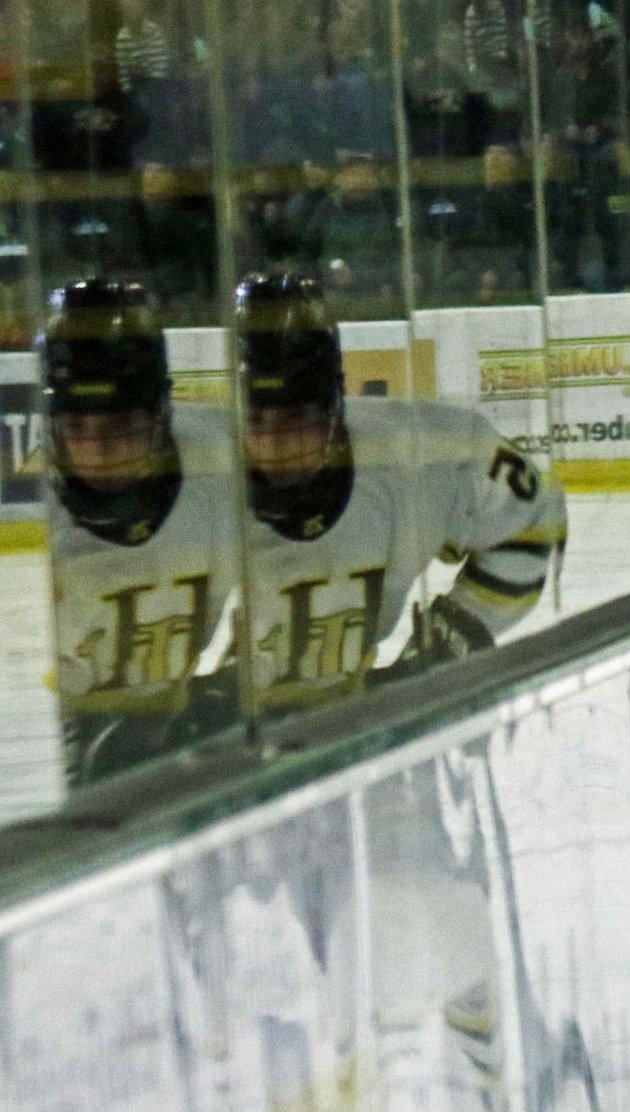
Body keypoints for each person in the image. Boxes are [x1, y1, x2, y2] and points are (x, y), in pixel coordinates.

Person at [231, 272, 567, 708]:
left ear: (334, 404)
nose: (278, 448)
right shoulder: (201, 478)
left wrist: (465, 625)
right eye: (259, 421)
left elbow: (536, 512)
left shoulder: (420, 455)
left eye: (298, 421)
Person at [39, 279, 243, 784]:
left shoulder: (225, 465)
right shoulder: (38, 520)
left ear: (159, 415)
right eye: (77, 430)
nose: (98, 454)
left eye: (118, 428)